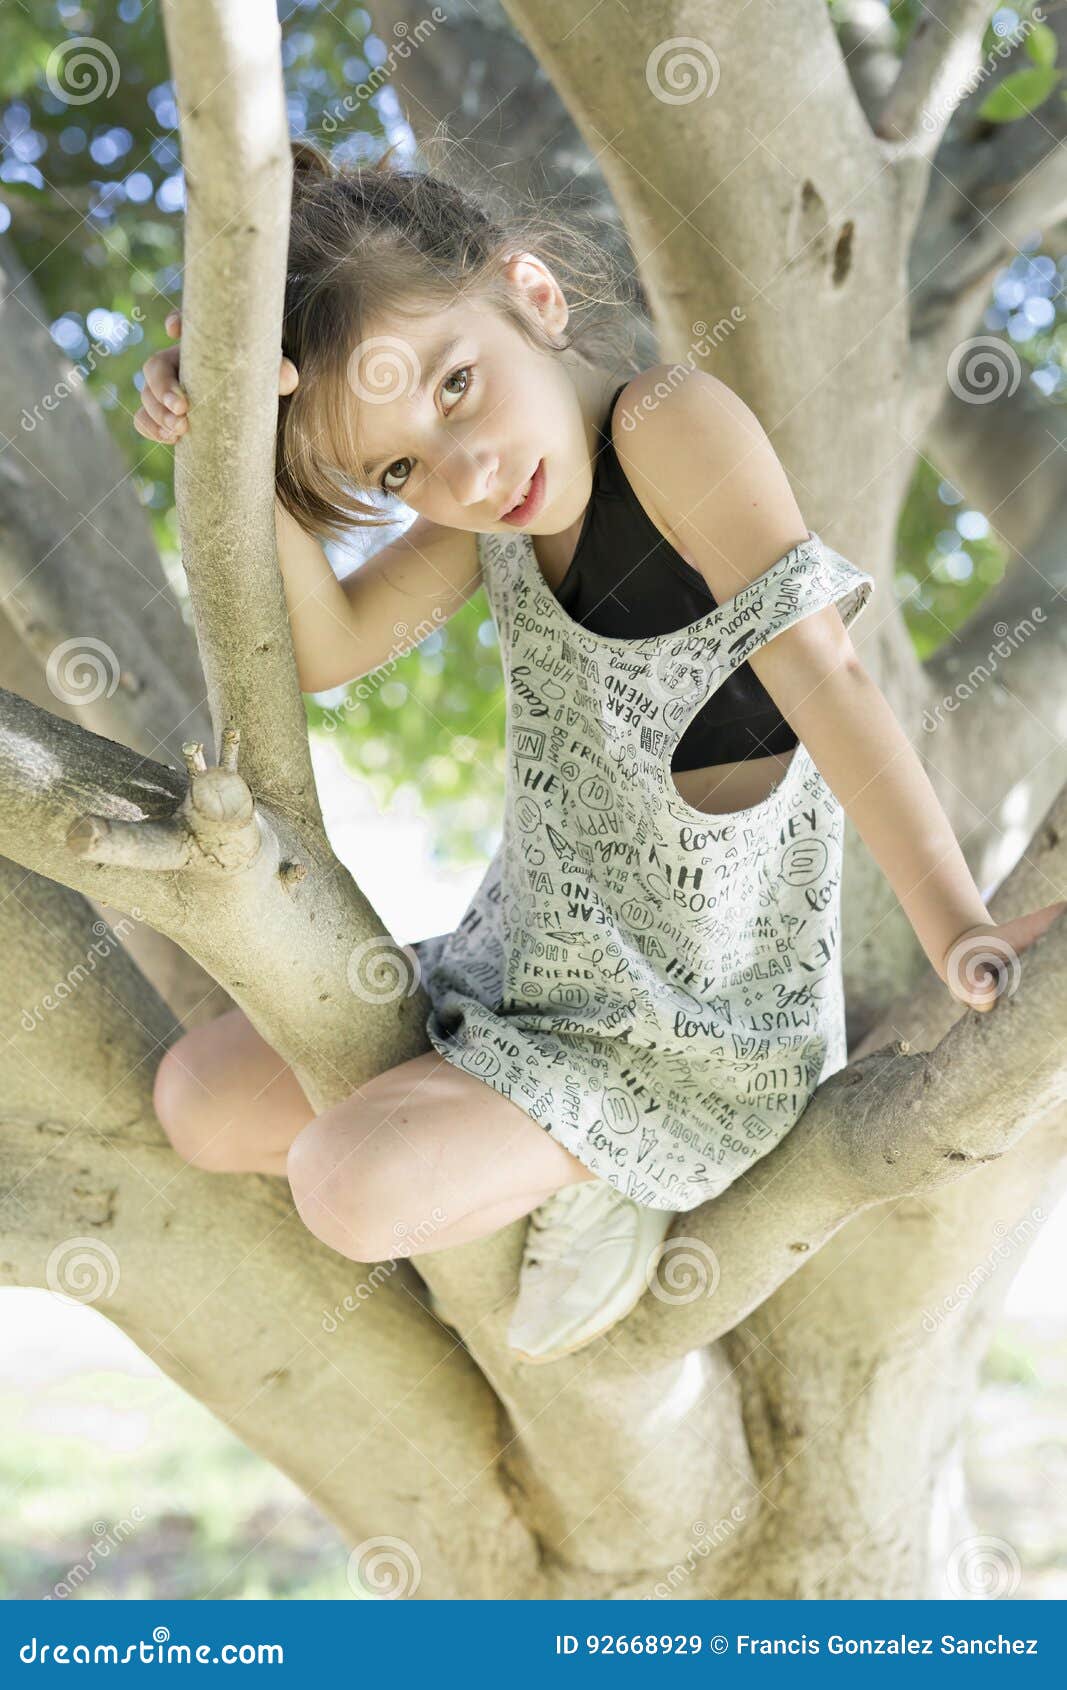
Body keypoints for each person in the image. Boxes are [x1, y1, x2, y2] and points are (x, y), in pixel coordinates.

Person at [136, 138, 1064, 1366]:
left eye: (458, 384)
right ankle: (500, 1154)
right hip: (513, 977)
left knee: (345, 1186)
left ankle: (595, 1174)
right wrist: (228, 434)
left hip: (687, 1042)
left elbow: (823, 672)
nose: (460, 471)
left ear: (532, 297)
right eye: (400, 465)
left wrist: (955, 925)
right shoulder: (498, 517)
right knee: (194, 1098)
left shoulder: (664, 426)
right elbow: (325, 644)